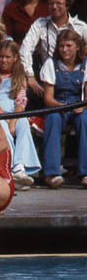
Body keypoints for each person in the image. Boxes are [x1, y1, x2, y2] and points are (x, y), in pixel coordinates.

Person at [0, 40, 40, 189]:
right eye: (1, 56)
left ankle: (19, 166)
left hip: (14, 113)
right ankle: (8, 167)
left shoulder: (19, 76)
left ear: (15, 58)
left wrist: (13, 121)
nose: (4, 60)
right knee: (2, 130)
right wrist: (6, 120)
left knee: (23, 124)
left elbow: (21, 101)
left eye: (8, 57)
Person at [19, 0, 87, 103]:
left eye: (59, 3)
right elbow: (25, 49)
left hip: (76, 80)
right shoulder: (40, 24)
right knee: (26, 94)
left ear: (67, 5)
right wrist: (30, 76)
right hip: (50, 79)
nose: (54, 7)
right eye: (51, 3)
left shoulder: (80, 27)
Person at [40, 29, 87, 189]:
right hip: (58, 104)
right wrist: (62, 107)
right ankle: (52, 173)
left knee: (84, 119)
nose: (65, 49)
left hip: (79, 105)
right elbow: (48, 98)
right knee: (52, 117)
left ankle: (85, 172)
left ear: (77, 47)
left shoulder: (85, 65)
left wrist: (82, 106)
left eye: (69, 45)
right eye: (61, 46)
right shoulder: (51, 64)